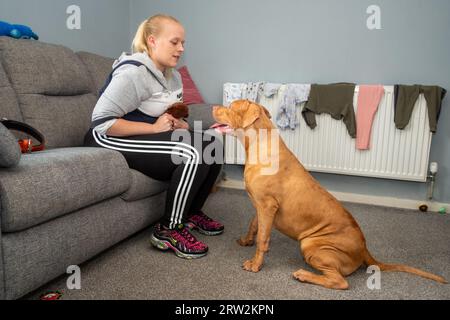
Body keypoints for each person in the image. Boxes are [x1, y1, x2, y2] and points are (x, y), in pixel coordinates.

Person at [84, 14, 223, 259]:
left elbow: (165, 112)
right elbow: (101, 121)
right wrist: (154, 129)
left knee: (212, 144)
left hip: (142, 133)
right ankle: (169, 230)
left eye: (183, 43)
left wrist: (178, 124)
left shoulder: (174, 76)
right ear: (152, 41)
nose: (181, 48)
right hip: (107, 135)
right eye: (174, 42)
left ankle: (191, 213)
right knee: (191, 153)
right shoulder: (133, 73)